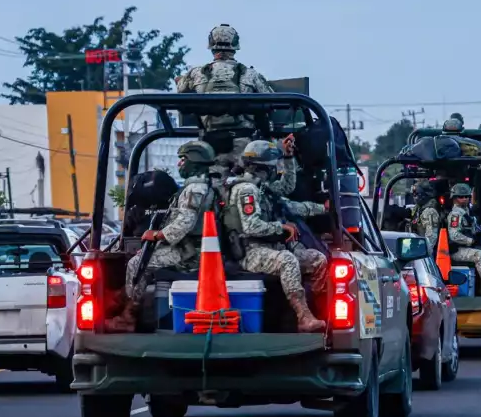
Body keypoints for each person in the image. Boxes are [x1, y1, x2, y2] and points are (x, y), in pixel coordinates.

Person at [227, 140, 328, 332]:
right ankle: (303, 317)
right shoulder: (246, 190)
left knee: (317, 259)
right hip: (251, 251)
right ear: (264, 167)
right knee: (288, 260)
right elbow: (251, 226)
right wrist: (280, 227)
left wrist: (323, 209)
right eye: (274, 166)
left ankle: (318, 313)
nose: (276, 170)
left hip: (269, 248)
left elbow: (289, 196)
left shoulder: (263, 189)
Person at [120, 141, 217, 328]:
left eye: (183, 159)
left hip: (190, 254)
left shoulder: (195, 189)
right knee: (142, 257)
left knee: (135, 264)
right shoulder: (197, 186)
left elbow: (185, 222)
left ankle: (128, 317)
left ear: (194, 161)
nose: (180, 164)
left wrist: (157, 235)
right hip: (188, 248)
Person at [175, 23, 275, 173]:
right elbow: (270, 99)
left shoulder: (196, 73)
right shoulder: (250, 74)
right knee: (247, 187)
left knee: (209, 186)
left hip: (209, 145)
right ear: (235, 45)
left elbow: (180, 90)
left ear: (211, 46)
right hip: (243, 144)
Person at [411, 180, 445, 257]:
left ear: (424, 195)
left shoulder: (430, 212)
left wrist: (421, 254)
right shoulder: (419, 208)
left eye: (416, 194)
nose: (414, 196)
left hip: (426, 252)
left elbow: (431, 237)